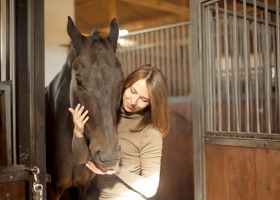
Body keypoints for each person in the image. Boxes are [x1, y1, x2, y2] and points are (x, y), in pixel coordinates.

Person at [68, 64, 170, 200]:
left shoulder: (150, 133)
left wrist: (117, 170)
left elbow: (150, 188)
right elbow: (82, 159)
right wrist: (78, 131)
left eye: (143, 99)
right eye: (133, 91)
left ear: (151, 103)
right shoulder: (108, 119)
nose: (134, 101)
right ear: (126, 84)